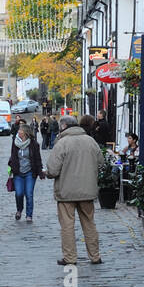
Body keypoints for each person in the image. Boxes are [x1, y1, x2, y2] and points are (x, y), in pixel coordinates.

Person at [45, 114, 104, 265]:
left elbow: (52, 169)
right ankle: (95, 256)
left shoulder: (62, 143)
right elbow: (101, 163)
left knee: (67, 226)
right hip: (87, 190)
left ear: (63, 126)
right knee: (89, 224)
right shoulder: (90, 141)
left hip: (66, 192)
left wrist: (48, 174)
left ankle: (70, 258)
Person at [7, 122, 45, 222]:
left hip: (30, 172)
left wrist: (40, 171)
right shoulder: (15, 143)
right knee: (19, 193)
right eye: (19, 130)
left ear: (25, 133)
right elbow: (13, 156)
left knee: (29, 194)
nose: (18, 132)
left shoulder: (33, 144)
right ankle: (19, 210)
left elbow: (37, 158)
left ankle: (29, 215)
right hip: (18, 172)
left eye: (20, 130)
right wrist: (12, 166)